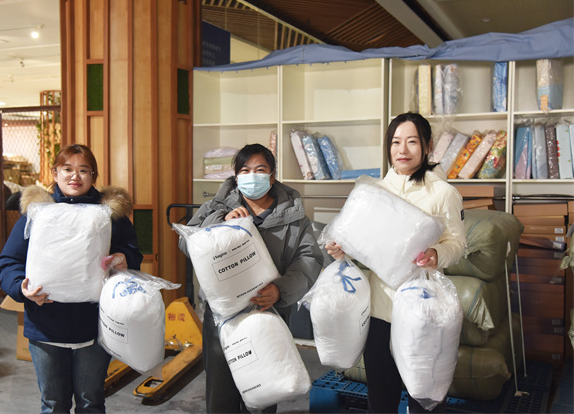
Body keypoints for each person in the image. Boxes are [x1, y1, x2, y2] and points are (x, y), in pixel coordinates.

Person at [326, 112, 466, 413]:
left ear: (427, 146)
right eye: (395, 142)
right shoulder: (373, 193)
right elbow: (363, 243)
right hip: (380, 310)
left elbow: (457, 244)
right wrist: (342, 250)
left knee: (424, 397)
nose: (402, 150)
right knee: (381, 394)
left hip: (422, 310)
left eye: (412, 141)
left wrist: (436, 254)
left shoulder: (443, 193)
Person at [0, 144, 143, 413]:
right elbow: (9, 262)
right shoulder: (37, 213)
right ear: (55, 173)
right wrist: (21, 288)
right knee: (53, 403)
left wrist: (125, 258)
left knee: (91, 402)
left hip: (95, 324)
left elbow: (133, 252)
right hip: (45, 324)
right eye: (67, 169)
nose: (75, 176)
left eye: (83, 170)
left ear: (93, 176)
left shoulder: (110, 214)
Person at [180, 143, 323, 413]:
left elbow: (309, 260)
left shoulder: (294, 218)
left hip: (269, 314)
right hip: (221, 317)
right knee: (221, 394)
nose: (252, 176)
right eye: (245, 170)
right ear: (236, 177)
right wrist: (221, 223)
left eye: (260, 170)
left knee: (264, 391)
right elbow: (187, 243)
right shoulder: (216, 207)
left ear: (272, 176)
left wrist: (280, 290)